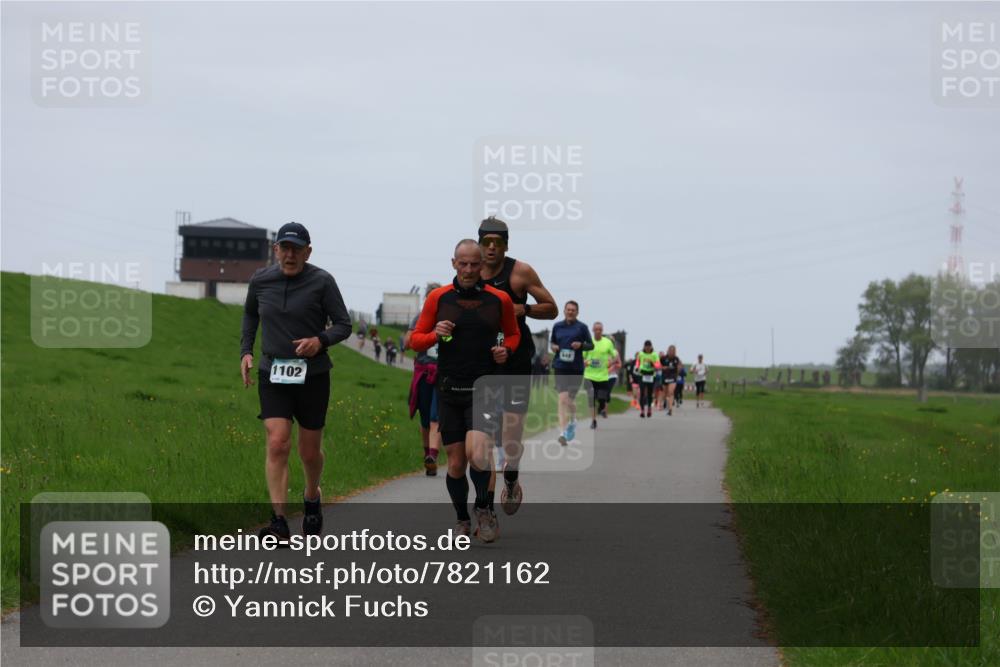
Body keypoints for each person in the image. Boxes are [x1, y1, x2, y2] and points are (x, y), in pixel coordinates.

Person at [240, 222, 352, 541]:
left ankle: (312, 496)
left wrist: (320, 340)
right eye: (284, 248)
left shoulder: (322, 281)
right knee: (277, 443)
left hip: (313, 376)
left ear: (308, 252)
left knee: (308, 451)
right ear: (275, 250)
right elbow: (250, 315)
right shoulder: (261, 281)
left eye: (296, 249)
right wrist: (246, 352)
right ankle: (278, 520)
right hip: (272, 371)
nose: (290, 255)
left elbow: (343, 324)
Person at [408, 239, 520, 542]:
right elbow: (415, 340)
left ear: (483, 265)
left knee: (478, 452)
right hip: (449, 388)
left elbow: (513, 334)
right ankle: (461, 518)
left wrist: (505, 351)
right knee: (456, 462)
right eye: (463, 263)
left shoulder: (499, 300)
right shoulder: (438, 298)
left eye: (475, 264)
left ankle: (483, 508)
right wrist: (434, 334)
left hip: (483, 387)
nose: (469, 269)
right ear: (454, 263)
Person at [478, 216, 557, 516]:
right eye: (487, 242)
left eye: (498, 243)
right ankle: (484, 508)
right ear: (480, 243)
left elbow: (552, 308)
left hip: (516, 361)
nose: (492, 248)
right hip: (482, 362)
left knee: (510, 440)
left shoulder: (520, 272)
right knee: (483, 437)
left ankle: (511, 479)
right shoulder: (471, 271)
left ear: (506, 245)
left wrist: (524, 308)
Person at [403, 287, 443, 476]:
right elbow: (408, 343)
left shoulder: (449, 317)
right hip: (423, 372)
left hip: (444, 374)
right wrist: (425, 334)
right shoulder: (419, 317)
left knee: (437, 416)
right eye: (430, 299)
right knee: (425, 418)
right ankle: (427, 455)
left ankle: (433, 456)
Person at [550, 300, 594, 445]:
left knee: (570, 400)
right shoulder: (557, 326)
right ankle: (562, 432)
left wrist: (581, 345)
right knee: (562, 399)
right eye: (568, 309)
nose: (570, 312)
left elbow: (591, 345)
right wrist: (554, 347)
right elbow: (552, 343)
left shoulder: (582, 328)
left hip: (576, 368)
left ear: (577, 312)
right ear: (564, 311)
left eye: (573, 310)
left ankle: (573, 418)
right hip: (560, 366)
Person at [583, 322, 618, 429]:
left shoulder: (607, 342)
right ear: (593, 330)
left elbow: (615, 355)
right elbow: (582, 357)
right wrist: (585, 362)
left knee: (602, 398)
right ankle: (593, 421)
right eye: (596, 329)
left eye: (600, 329)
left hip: (602, 376)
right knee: (591, 399)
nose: (598, 331)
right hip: (589, 375)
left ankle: (602, 407)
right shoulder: (588, 342)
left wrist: (611, 362)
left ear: (602, 331)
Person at [635, 341, 659, 418]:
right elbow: (638, 362)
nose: (648, 348)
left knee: (649, 393)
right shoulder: (641, 354)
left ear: (651, 347)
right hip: (642, 374)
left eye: (649, 347)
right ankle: (642, 410)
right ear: (644, 347)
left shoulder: (654, 354)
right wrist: (637, 368)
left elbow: (658, 364)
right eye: (646, 347)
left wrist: (653, 364)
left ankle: (649, 409)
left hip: (651, 374)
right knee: (642, 392)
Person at [661, 344, 681, 416]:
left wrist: (678, 370)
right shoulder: (663, 358)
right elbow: (658, 366)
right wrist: (663, 367)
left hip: (673, 377)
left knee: (671, 392)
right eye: (671, 350)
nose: (672, 352)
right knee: (665, 393)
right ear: (668, 351)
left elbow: (679, 366)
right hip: (665, 377)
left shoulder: (676, 359)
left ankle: (670, 410)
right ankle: (665, 401)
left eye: (673, 351)